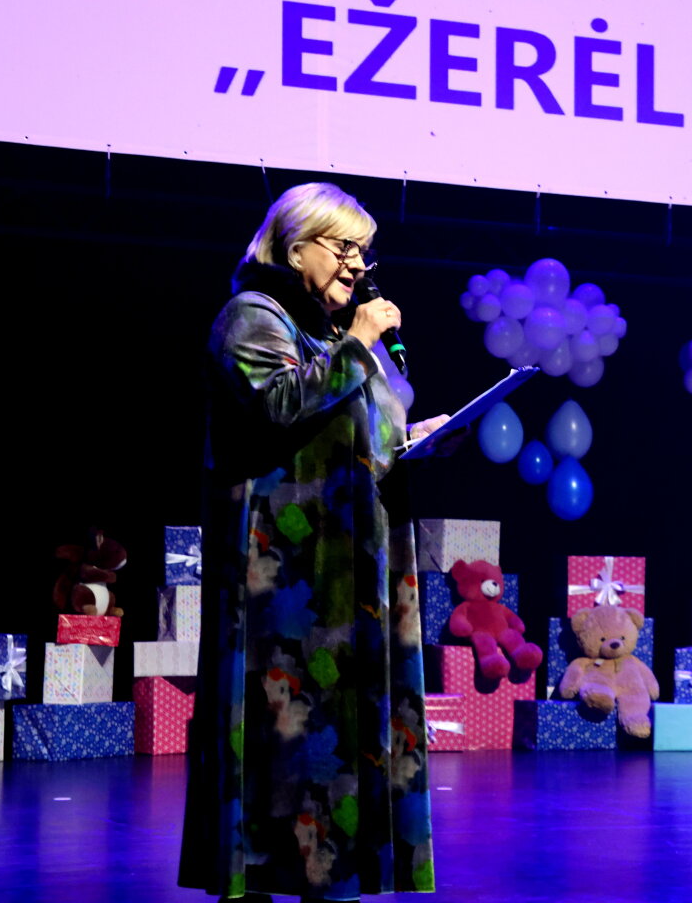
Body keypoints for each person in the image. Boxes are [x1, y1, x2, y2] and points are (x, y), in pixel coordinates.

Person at [179, 182, 448, 901]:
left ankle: (338, 873)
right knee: (292, 735)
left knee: (346, 732)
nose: (358, 264)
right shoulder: (252, 316)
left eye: (364, 251)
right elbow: (278, 403)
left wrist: (415, 438)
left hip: (351, 561)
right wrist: (359, 341)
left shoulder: (332, 337)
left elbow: (352, 434)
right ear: (297, 248)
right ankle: (277, 872)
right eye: (345, 247)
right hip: (287, 571)